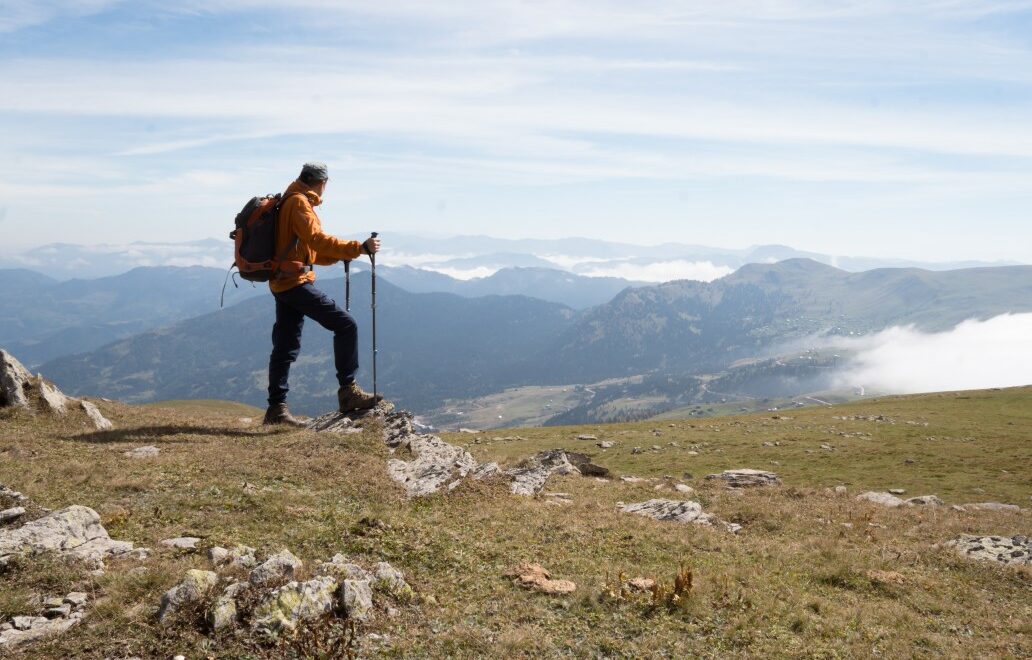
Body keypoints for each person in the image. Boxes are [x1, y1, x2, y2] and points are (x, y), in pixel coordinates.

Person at [263, 162, 381, 426]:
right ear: (321, 182)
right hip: (294, 283)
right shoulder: (299, 204)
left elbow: (308, 251)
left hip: (283, 281)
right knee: (346, 325)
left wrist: (344, 255)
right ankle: (348, 392)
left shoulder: (290, 201)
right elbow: (316, 239)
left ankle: (276, 410)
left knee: (284, 346)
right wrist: (358, 247)